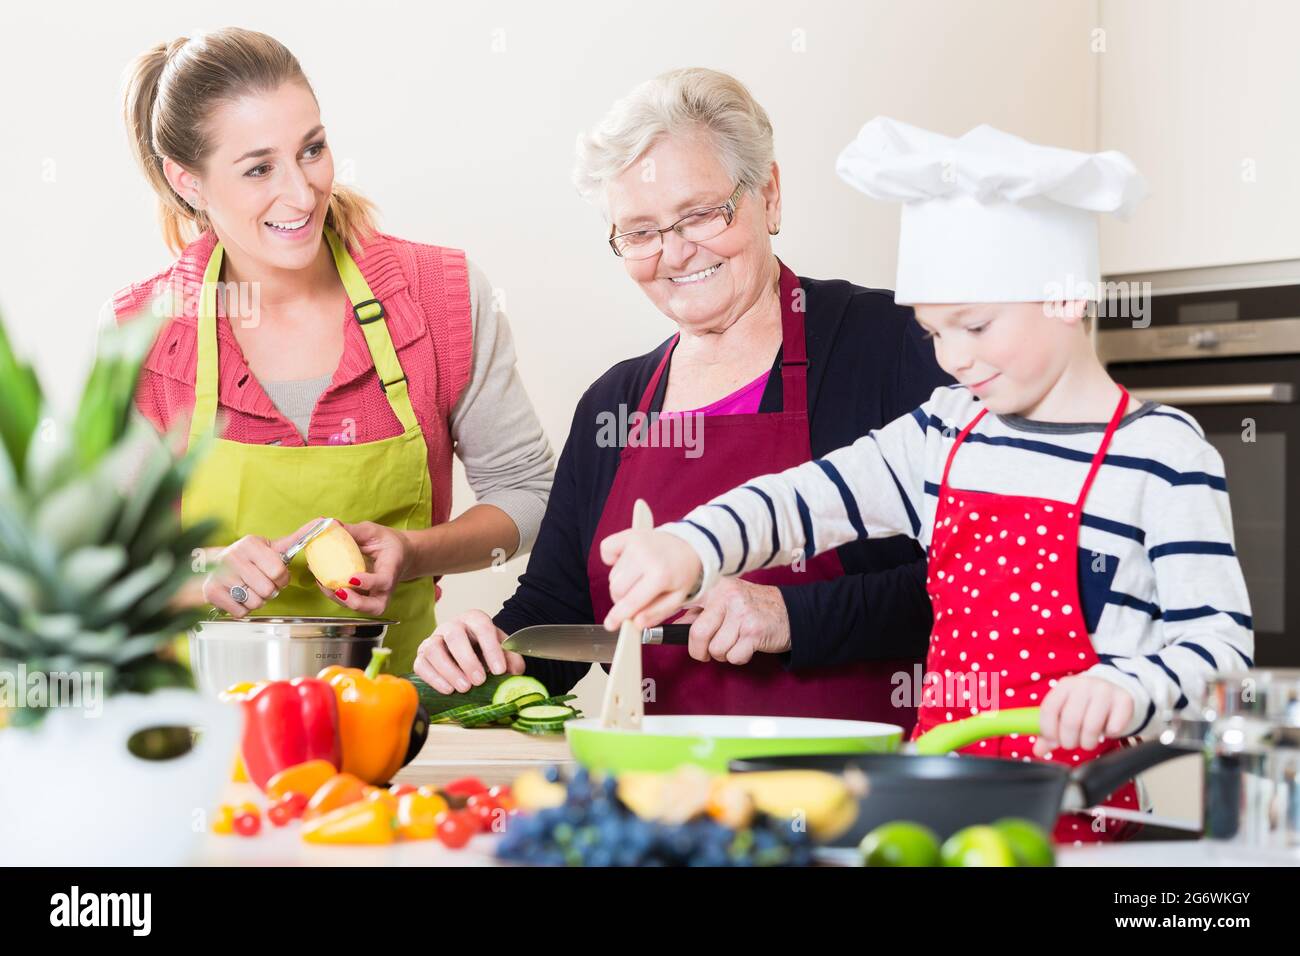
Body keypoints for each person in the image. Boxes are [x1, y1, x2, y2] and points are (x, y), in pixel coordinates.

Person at [599, 118, 1254, 842]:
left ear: (1068, 297)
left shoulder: (1162, 455)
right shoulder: (944, 432)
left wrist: (1129, 689)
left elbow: (1220, 649)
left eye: (975, 327)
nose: (954, 359)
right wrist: (693, 547)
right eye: (936, 332)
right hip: (941, 802)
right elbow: (802, 500)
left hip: (1093, 812)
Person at [415, 71, 950, 726]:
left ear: (769, 195)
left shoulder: (896, 345)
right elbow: (560, 615)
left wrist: (789, 616)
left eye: (699, 213)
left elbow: (981, 575)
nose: (673, 253)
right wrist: (491, 651)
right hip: (661, 797)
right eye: (639, 231)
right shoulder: (614, 404)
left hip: (857, 793)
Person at [112, 28, 553, 672]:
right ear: (188, 182)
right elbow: (99, 569)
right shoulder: (143, 332)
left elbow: (529, 493)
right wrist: (199, 574)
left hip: (396, 712)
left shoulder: (441, 295)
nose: (301, 192)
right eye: (259, 168)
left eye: (312, 150)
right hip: (204, 729)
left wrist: (416, 550)